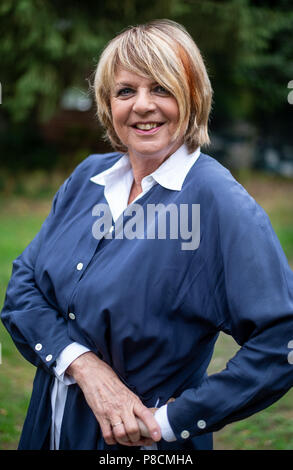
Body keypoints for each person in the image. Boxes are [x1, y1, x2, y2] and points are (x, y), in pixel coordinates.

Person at [1, 19, 293, 451]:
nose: (142, 105)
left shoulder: (218, 202)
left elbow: (281, 341)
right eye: (125, 91)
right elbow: (23, 288)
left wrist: (170, 422)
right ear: (108, 104)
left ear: (192, 97)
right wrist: (83, 365)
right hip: (48, 430)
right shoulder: (88, 178)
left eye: (161, 88)